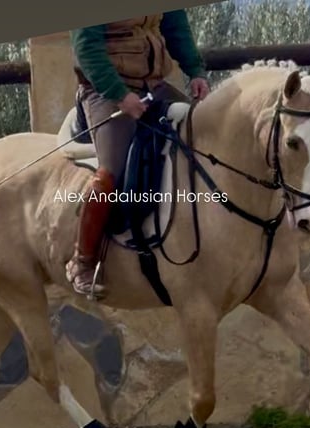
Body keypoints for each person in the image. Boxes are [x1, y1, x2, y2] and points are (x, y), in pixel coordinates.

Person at [66, 11, 211, 298]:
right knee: (111, 172)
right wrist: (119, 94)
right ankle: (82, 262)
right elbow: (86, 48)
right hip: (104, 92)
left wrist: (196, 71)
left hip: (154, 87)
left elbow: (175, 27)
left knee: (205, 137)